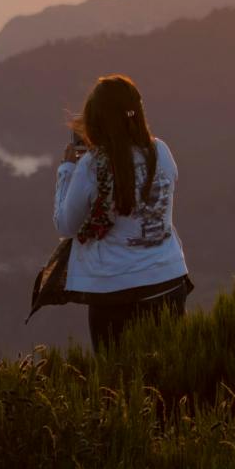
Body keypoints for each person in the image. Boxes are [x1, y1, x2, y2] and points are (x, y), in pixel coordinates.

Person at [53, 74, 191, 351]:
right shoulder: (160, 151)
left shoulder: (92, 166)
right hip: (169, 281)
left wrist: (67, 169)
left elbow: (66, 225)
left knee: (116, 382)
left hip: (115, 290)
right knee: (169, 374)